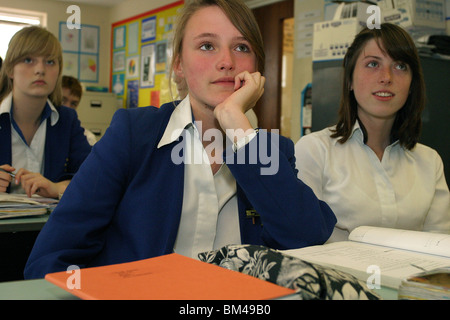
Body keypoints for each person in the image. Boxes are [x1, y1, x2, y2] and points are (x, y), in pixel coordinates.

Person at [24, 0, 336, 279]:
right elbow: (51, 258)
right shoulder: (134, 134)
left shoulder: (271, 150)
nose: (227, 61)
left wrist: (235, 124)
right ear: (178, 65)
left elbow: (306, 239)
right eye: (207, 46)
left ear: (257, 68)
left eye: (242, 47)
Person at [294, 23, 450, 242]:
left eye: (400, 66)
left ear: (412, 83)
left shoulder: (430, 162)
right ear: (349, 80)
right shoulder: (314, 151)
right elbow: (299, 242)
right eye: (373, 64)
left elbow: (439, 246)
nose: (386, 77)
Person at [0, 26, 92, 199]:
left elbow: (94, 174)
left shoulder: (67, 119)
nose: (40, 70)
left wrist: (57, 188)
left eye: (50, 62)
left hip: (50, 225)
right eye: (28, 60)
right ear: (10, 69)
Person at [61, 75, 97, 145]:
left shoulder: (88, 138)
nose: (68, 107)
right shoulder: (42, 132)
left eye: (73, 104)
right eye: (63, 100)